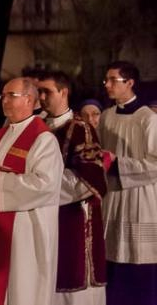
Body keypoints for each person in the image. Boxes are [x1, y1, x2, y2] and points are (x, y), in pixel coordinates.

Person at [0, 77, 63, 305]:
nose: (4, 100)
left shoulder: (43, 139)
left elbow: (45, 185)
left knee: (22, 290)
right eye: (2, 95)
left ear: (29, 99)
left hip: (26, 233)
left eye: (11, 96)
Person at [36, 71, 107, 304]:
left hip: (73, 215)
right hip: (41, 215)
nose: (41, 97)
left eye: (47, 91)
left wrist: (40, 190)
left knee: (71, 283)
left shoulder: (80, 129)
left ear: (63, 92)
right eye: (39, 91)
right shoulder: (36, 126)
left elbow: (88, 180)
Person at [97, 61, 157, 305]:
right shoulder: (106, 116)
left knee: (138, 262)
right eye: (106, 80)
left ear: (130, 83)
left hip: (140, 198)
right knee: (110, 258)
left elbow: (155, 163)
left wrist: (117, 162)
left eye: (114, 80)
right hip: (112, 195)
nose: (107, 85)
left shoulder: (148, 118)